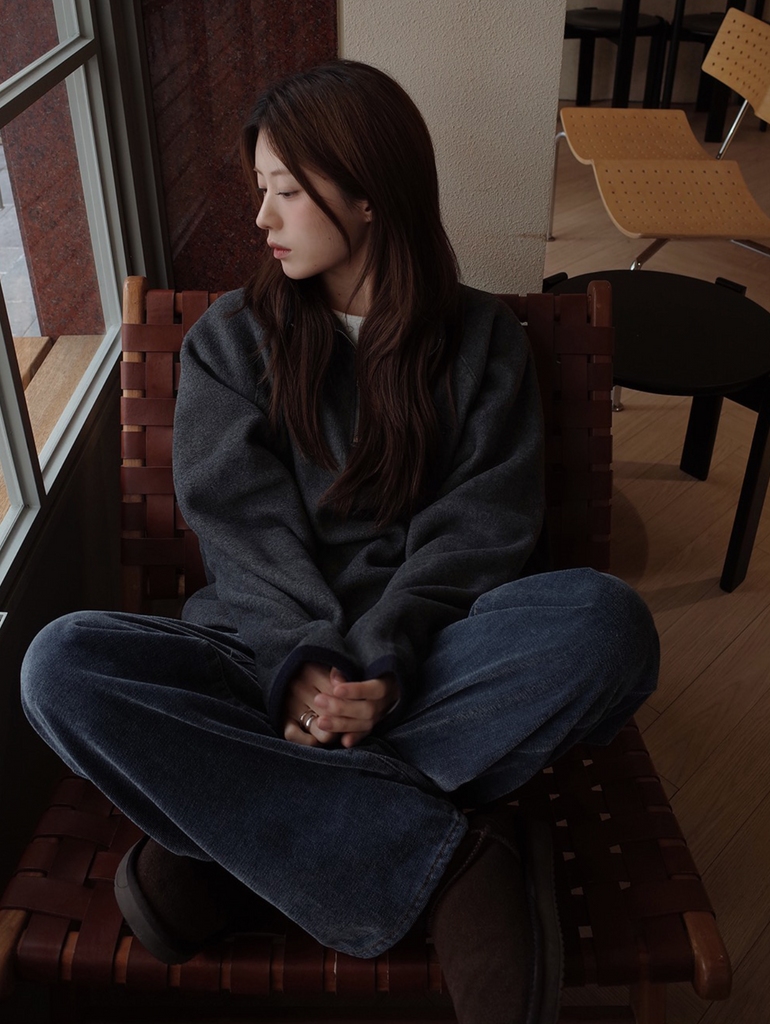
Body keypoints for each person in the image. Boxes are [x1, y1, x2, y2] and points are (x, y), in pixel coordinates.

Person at [20, 60, 659, 1024]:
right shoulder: (228, 342)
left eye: (284, 191)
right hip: (257, 659)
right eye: (261, 190)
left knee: (610, 627)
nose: (261, 219)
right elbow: (243, 538)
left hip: (430, 659)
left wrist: (381, 668)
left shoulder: (483, 339)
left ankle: (235, 853)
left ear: (368, 195)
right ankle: (454, 858)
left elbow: (480, 533)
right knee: (59, 667)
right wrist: (303, 667)